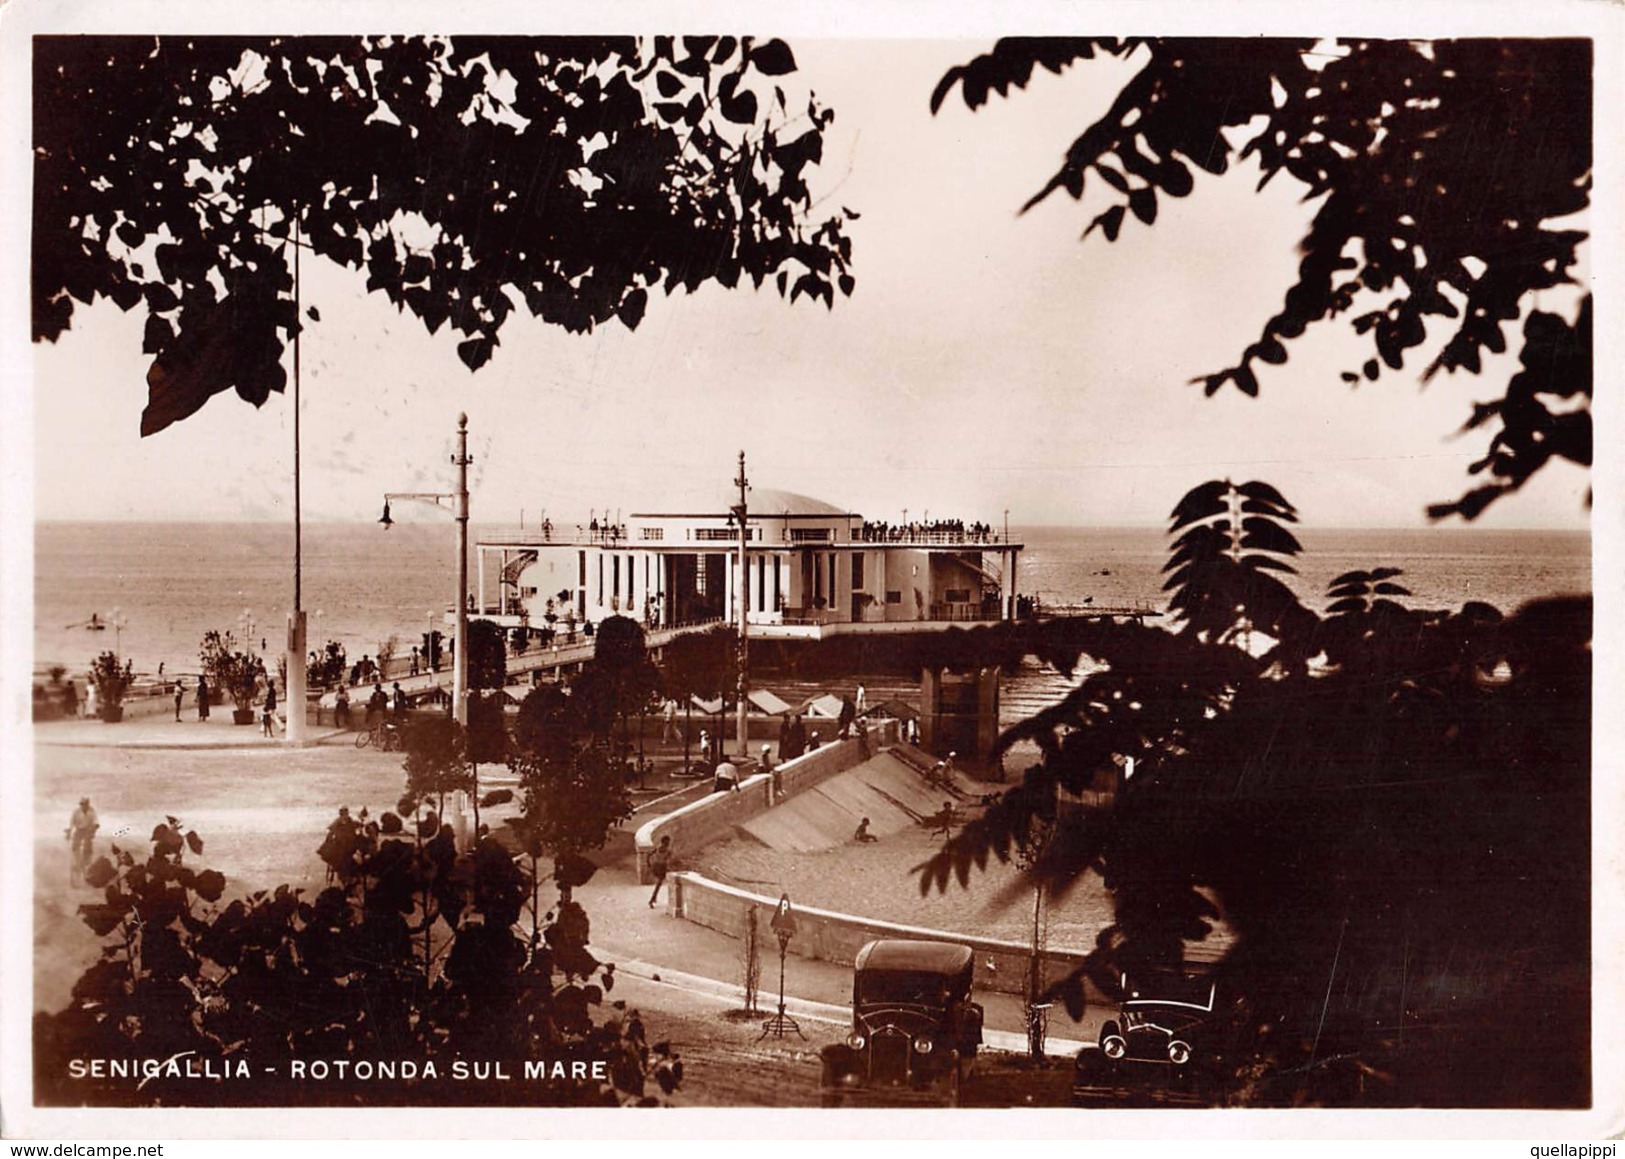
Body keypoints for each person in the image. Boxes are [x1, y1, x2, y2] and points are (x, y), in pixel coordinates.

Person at [67, 797, 98, 884]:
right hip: (79, 831)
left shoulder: (92, 811)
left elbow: (96, 821)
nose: (83, 806)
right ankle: (77, 862)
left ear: (88, 804)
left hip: (88, 831)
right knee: (75, 848)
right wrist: (69, 831)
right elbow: (71, 823)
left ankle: (87, 861)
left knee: (88, 849)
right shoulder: (76, 812)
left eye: (85, 804)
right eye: (82, 804)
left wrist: (94, 828)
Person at [647, 836, 673, 908]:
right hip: (661, 867)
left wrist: (649, 864)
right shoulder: (668, 851)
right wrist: (669, 869)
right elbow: (668, 861)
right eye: (668, 842)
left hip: (655, 866)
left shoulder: (657, 848)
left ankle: (654, 898)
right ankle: (652, 899)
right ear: (666, 842)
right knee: (659, 883)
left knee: (659, 883)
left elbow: (648, 855)